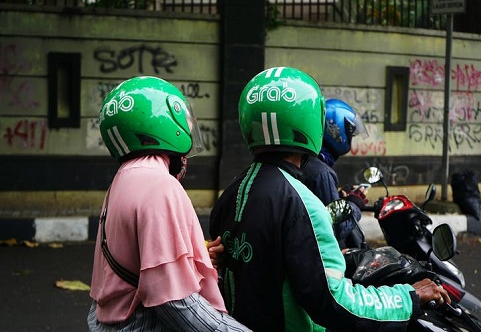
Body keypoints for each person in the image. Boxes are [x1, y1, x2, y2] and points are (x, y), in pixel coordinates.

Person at [209, 66, 450, 331]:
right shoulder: (303, 205)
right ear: (312, 121)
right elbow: (334, 302)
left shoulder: (233, 192)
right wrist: (409, 297)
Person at [88, 76, 250, 331]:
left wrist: (189, 259)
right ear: (163, 124)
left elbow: (131, 262)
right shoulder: (158, 184)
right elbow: (173, 301)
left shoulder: (124, 179)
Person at [300, 98, 369, 249]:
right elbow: (336, 228)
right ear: (336, 129)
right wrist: (355, 203)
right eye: (351, 134)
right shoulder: (322, 173)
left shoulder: (306, 161)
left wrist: (339, 197)